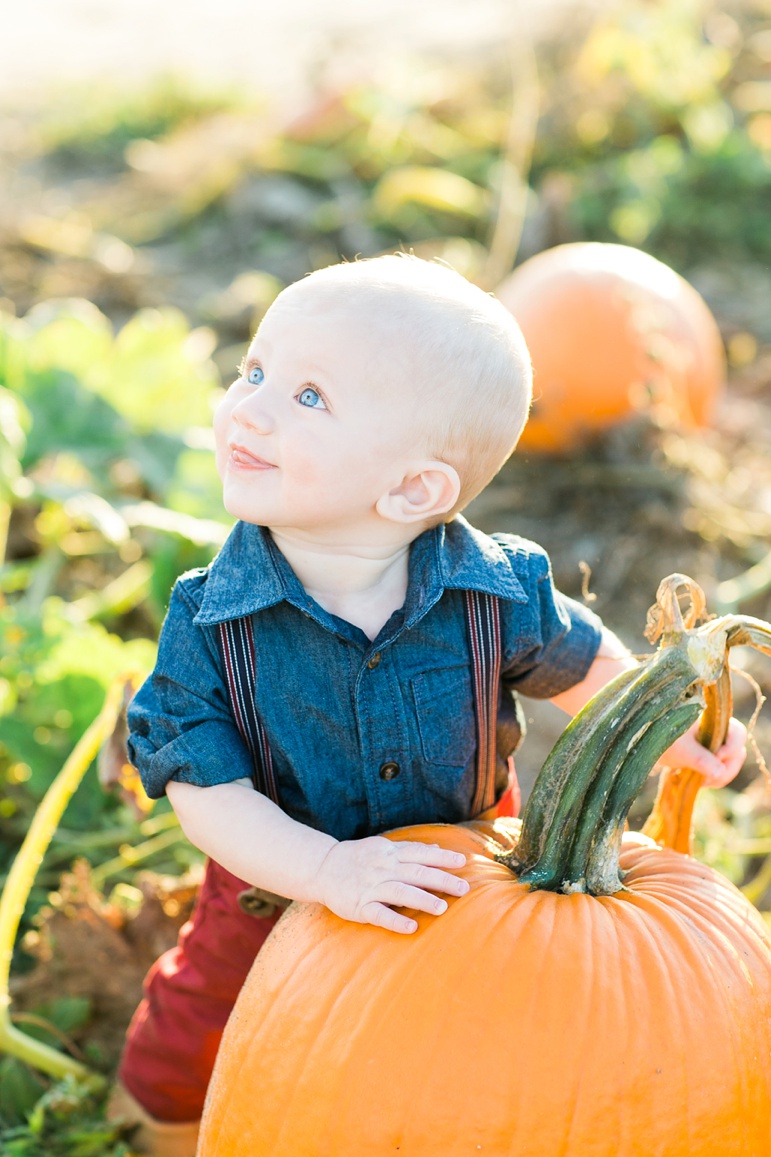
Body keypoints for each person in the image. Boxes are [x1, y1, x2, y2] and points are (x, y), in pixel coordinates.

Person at [108, 254, 746, 1157]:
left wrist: (665, 728)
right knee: (205, 1009)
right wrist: (326, 872)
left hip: (469, 880)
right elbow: (201, 789)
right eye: (254, 371)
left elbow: (578, 661)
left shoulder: (493, 589)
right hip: (273, 881)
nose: (247, 406)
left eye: (308, 398)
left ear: (414, 489)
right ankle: (151, 1126)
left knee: (478, 1029)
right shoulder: (211, 620)